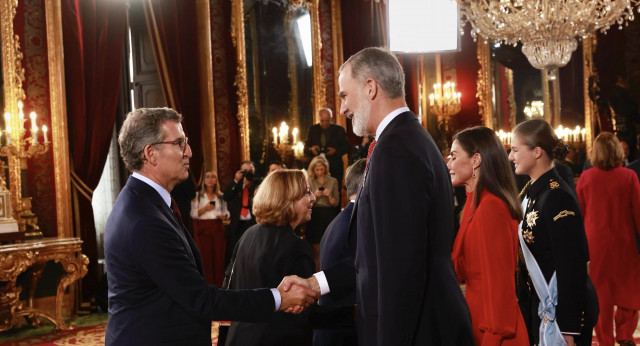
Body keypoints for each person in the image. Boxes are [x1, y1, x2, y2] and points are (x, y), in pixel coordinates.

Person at [283, 47, 473, 345]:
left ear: (370, 87)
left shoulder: (395, 149)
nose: (342, 109)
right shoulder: (407, 139)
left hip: (418, 330)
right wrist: (314, 284)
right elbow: (376, 257)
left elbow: (401, 270)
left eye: (345, 95)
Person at [104, 107, 316, 345]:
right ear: (151, 153)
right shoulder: (144, 219)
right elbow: (201, 300)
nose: (189, 152)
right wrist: (279, 298)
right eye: (179, 143)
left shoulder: (145, 202)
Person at [225, 170, 353, 346]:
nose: (313, 198)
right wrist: (354, 315)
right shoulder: (295, 246)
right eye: (307, 193)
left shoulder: (247, 234)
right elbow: (304, 315)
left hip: (239, 338)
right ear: (288, 200)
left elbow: (229, 289)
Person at [509, 118, 598, 346]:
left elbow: (571, 265)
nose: (511, 157)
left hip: (561, 317)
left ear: (537, 152)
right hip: (539, 306)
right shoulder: (532, 191)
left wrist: (569, 327)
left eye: (515, 150)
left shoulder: (557, 197)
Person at [447, 126, 529, 345]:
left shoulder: (491, 207)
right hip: (478, 321)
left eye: (453, 156)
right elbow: (459, 269)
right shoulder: (473, 203)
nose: (449, 165)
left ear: (475, 160)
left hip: (496, 332)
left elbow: (500, 285)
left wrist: (492, 338)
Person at [576, 132, 640, 346]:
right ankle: (624, 333)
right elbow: (638, 212)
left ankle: (605, 339)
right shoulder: (629, 176)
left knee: (601, 293)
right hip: (624, 241)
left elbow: (580, 213)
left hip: (596, 244)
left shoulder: (586, 177)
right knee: (629, 289)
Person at [313, 158, 365, 346]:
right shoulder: (359, 222)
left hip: (333, 326)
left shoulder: (341, 219)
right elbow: (359, 270)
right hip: (343, 329)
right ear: (364, 184)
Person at [190, 169, 229, 286]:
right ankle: (207, 285)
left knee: (219, 258)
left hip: (217, 227)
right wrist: (205, 209)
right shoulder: (198, 196)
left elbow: (226, 212)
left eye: (213, 177)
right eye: (207, 177)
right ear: (204, 180)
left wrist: (224, 215)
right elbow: (193, 214)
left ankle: (220, 285)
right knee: (205, 258)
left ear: (216, 180)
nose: (210, 179)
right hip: (203, 229)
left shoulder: (221, 196)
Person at [306, 156, 340, 270]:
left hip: (329, 213)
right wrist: (315, 195)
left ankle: (329, 274)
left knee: (330, 246)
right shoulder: (309, 181)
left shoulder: (333, 181)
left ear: (326, 169)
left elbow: (335, 203)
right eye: (317, 170)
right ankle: (317, 274)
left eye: (322, 169)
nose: (320, 172)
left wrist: (329, 195)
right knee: (316, 248)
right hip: (315, 214)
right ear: (313, 169)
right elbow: (306, 202)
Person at [223, 160, 260, 265]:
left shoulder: (257, 184)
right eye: (245, 171)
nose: (247, 173)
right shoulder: (236, 185)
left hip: (252, 223)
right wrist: (235, 180)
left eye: (250, 171)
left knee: (254, 250)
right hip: (237, 224)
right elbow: (226, 196)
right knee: (238, 251)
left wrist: (252, 183)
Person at [304, 108, 350, 189]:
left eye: (327, 120)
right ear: (319, 119)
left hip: (335, 167)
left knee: (335, 192)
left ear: (331, 118)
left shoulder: (339, 130)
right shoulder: (313, 129)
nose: (324, 123)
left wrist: (335, 151)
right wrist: (312, 149)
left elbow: (347, 147)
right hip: (316, 168)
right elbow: (305, 149)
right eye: (322, 121)